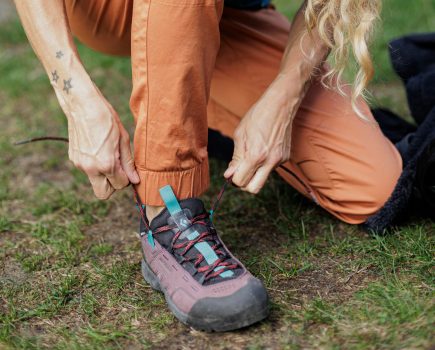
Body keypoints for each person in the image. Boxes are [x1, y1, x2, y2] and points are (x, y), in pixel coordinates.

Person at [14, 0, 401, 331]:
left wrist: (283, 99)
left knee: (371, 185)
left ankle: (185, 89)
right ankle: (166, 215)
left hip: (227, 13)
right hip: (106, 11)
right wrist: (77, 101)